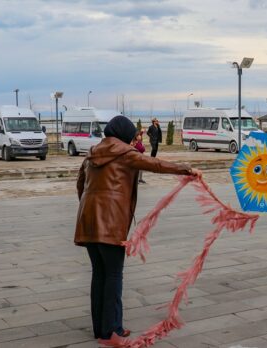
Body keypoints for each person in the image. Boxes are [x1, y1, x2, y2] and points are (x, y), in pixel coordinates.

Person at [74, 116, 202, 340]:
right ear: (124, 133)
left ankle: (100, 329)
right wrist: (186, 169)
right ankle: (113, 328)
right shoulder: (125, 154)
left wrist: (90, 210)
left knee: (99, 274)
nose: (133, 140)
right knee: (113, 275)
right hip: (111, 224)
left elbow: (80, 184)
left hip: (88, 221)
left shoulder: (92, 153)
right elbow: (157, 164)